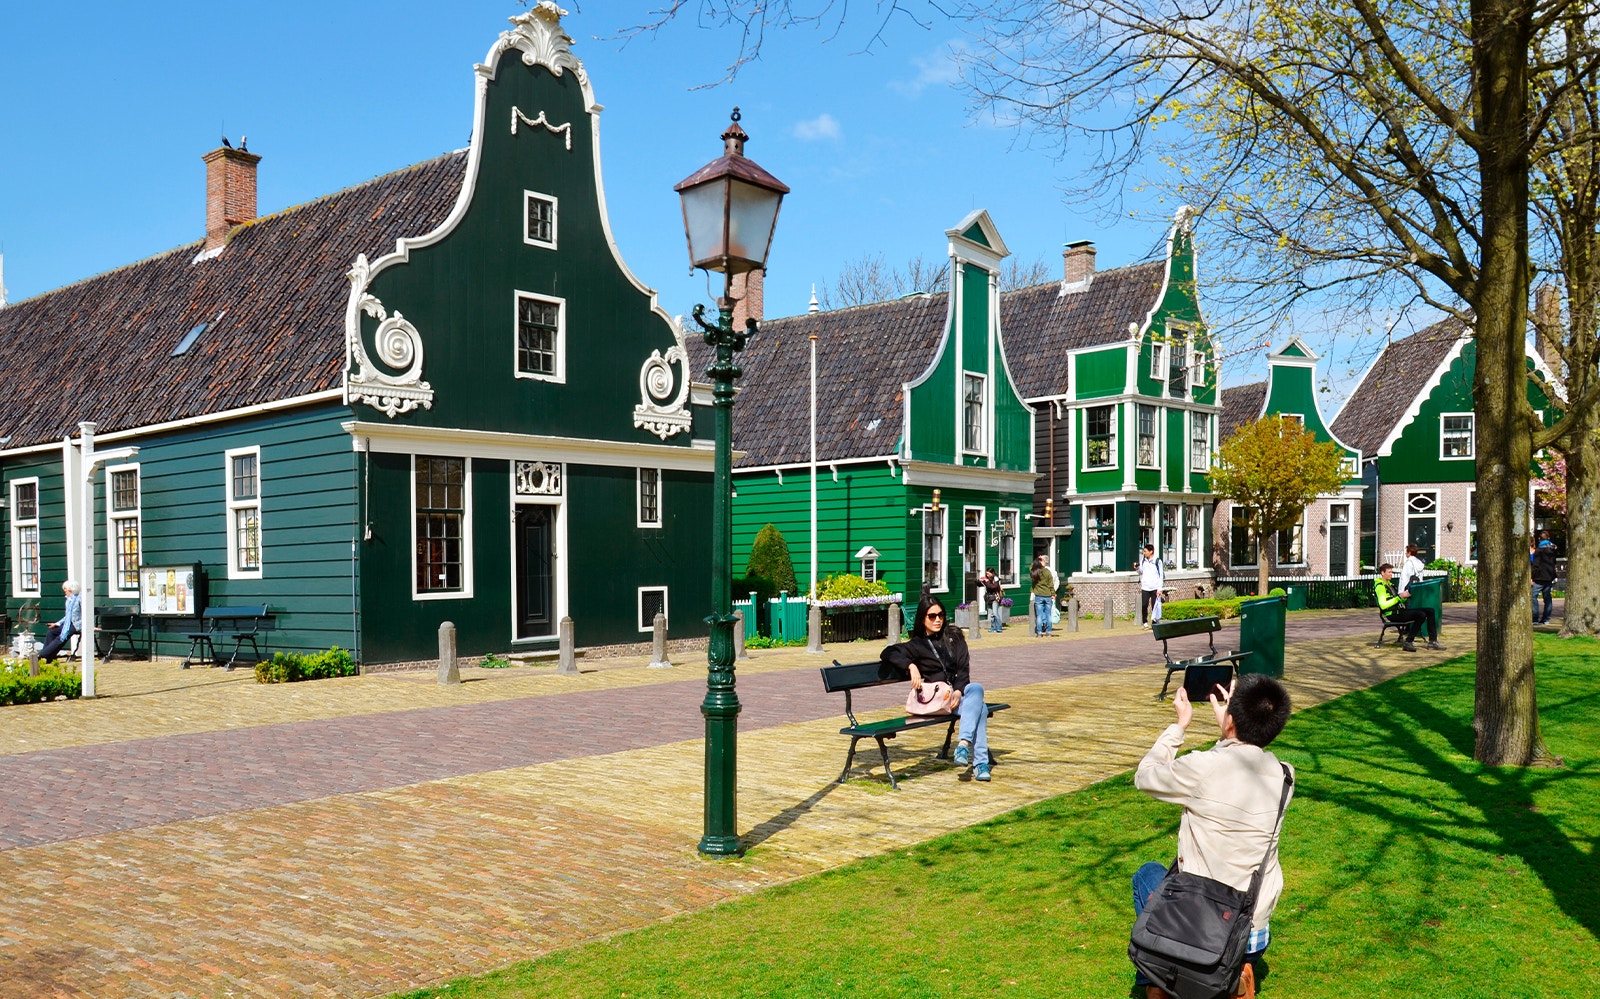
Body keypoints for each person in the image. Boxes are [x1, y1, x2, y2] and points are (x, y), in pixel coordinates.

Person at [1131, 673, 1295, 999]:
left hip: (1205, 932)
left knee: (1147, 875)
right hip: (1251, 929)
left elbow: (1145, 777)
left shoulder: (1203, 767)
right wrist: (1232, 729)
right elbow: (1236, 761)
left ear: (1231, 719)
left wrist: (1179, 725)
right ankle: (1240, 970)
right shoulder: (1285, 775)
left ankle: (1159, 980)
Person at [881, 593, 993, 781]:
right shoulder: (918, 645)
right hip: (939, 701)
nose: (937, 620)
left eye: (940, 615)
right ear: (922, 618)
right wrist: (911, 666)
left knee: (976, 689)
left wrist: (958, 690)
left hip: (958, 697)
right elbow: (888, 652)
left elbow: (963, 669)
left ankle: (964, 744)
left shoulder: (954, 636)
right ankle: (980, 763)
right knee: (980, 708)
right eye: (931, 616)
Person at [1375, 562, 1444, 652]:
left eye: (1392, 572)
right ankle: (1409, 641)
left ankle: (1433, 641)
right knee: (1421, 615)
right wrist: (1400, 597)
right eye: (1389, 572)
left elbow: (1398, 600)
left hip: (1400, 611)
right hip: (1392, 614)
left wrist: (1404, 596)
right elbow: (1384, 605)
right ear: (1382, 573)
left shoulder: (1390, 585)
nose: (1391, 574)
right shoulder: (1380, 587)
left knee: (1430, 611)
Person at [38, 580, 82, 661]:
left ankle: (43, 655)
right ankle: (50, 656)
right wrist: (57, 623)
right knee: (51, 633)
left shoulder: (80, 599)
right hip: (68, 624)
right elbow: (68, 616)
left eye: (65, 589)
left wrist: (90, 626)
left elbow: (86, 614)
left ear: (70, 589)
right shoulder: (68, 600)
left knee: (61, 637)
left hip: (77, 625)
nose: (64, 591)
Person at [1531, 533, 1559, 625]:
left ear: (1539, 539)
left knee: (1533, 596)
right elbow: (1554, 562)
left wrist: (1533, 577)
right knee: (1547, 598)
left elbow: (1536, 565)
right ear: (1549, 538)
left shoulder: (1538, 550)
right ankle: (1546, 618)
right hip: (1549, 576)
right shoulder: (1553, 550)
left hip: (1539, 577)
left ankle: (1535, 618)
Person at [1137, 544, 1165, 629]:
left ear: (1151, 551)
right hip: (1145, 587)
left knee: (1154, 606)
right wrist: (1137, 568)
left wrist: (1160, 588)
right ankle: (1145, 622)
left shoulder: (1158, 561)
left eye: (1145, 551)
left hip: (1155, 587)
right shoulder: (1143, 560)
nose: (1144, 553)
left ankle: (1154, 622)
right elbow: (1140, 572)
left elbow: (1161, 575)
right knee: (1144, 605)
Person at [1030, 555, 1056, 637]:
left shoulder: (1034, 572)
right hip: (1047, 595)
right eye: (1043, 561)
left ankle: (1039, 632)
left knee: (1039, 615)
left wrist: (1037, 559)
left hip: (1038, 596)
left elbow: (1031, 566)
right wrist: (1053, 594)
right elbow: (1051, 585)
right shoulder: (1047, 572)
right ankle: (1049, 632)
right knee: (1048, 615)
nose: (1045, 562)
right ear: (1041, 562)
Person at [980, 568, 1005, 632]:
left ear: (992, 573)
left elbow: (992, 586)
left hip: (995, 598)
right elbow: (978, 584)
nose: (987, 575)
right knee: (991, 614)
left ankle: (999, 626)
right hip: (989, 598)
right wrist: (979, 580)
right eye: (986, 573)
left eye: (988, 573)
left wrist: (986, 581)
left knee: (995, 613)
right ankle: (993, 626)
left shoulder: (996, 579)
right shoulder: (986, 579)